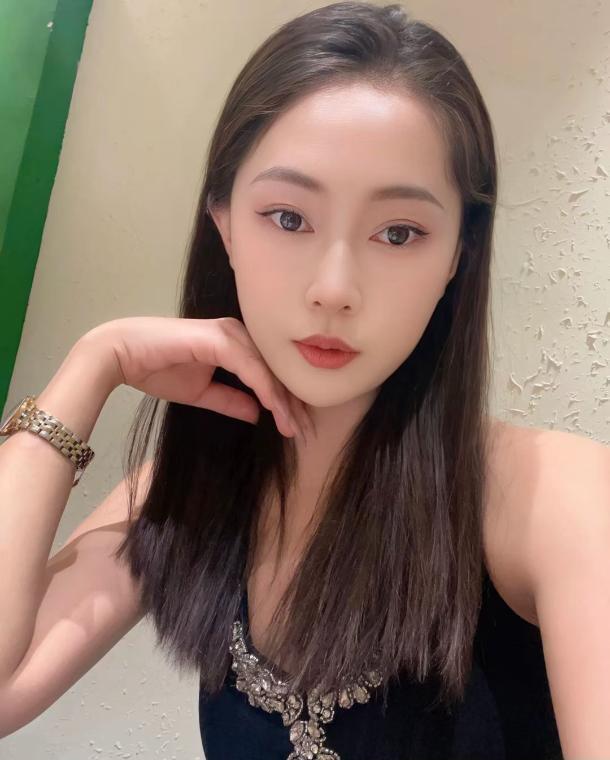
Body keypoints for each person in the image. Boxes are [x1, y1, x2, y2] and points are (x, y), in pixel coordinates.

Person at [1, 2, 609, 758]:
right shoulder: (187, 493)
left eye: (398, 233)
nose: (334, 288)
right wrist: (93, 365)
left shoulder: (555, 497)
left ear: (459, 253)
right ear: (224, 222)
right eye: (289, 218)